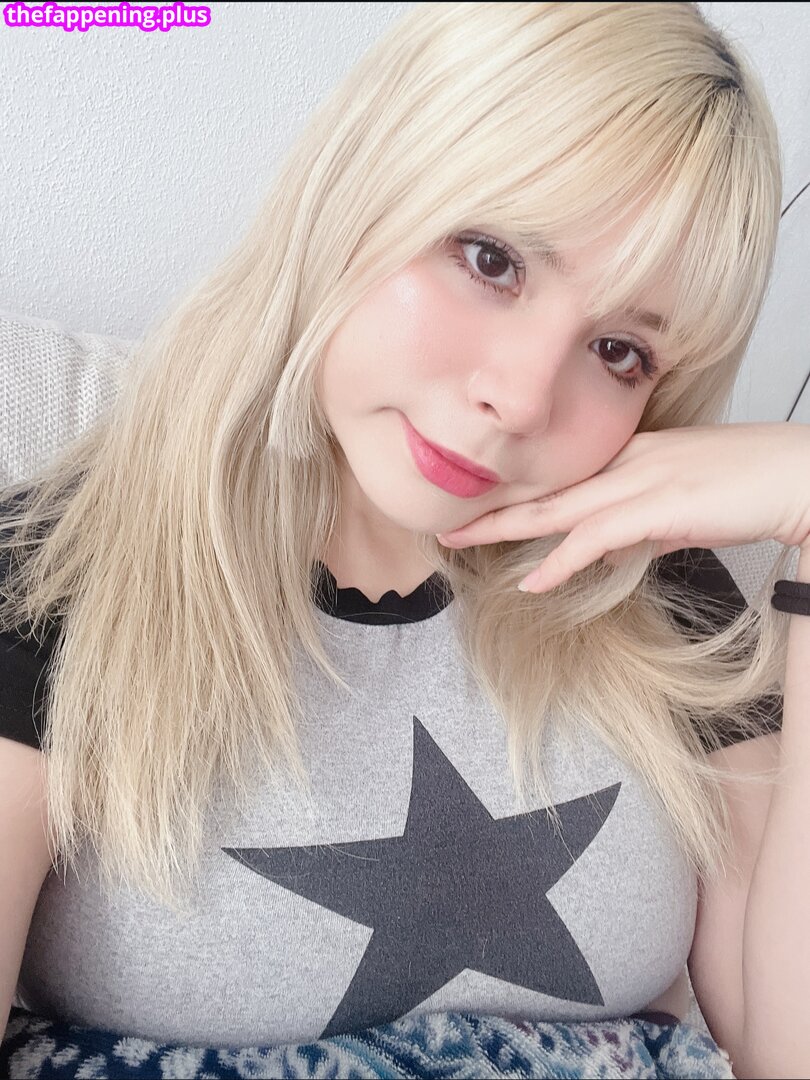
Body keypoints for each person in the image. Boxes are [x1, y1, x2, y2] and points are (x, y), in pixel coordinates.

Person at [0, 2, 803, 1076]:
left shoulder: (655, 592)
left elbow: (787, 1045)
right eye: (491, 259)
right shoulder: (52, 576)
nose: (521, 398)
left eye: (619, 351)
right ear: (362, 188)